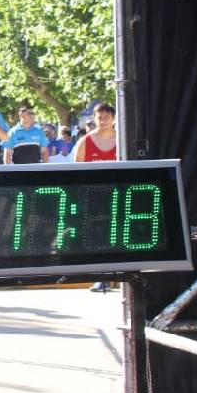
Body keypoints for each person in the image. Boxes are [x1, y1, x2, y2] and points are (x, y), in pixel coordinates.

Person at [76, 102, 118, 292]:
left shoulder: (123, 140)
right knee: (97, 235)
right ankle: (101, 276)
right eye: (99, 117)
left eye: (106, 117)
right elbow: (75, 172)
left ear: (113, 118)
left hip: (117, 194)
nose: (102, 121)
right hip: (93, 196)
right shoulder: (85, 142)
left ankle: (119, 273)